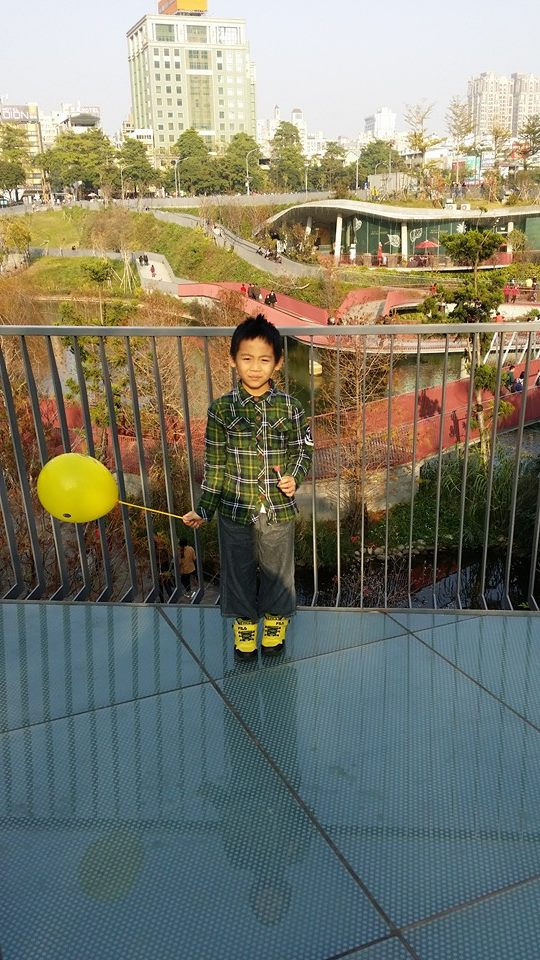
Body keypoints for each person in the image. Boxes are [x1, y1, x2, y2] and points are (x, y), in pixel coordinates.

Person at [182, 315, 313, 660]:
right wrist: (204, 508)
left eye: (264, 359)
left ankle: (274, 623)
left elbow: (303, 449)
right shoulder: (221, 410)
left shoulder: (292, 407)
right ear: (233, 360)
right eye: (247, 358)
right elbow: (215, 465)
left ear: (278, 363)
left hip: (277, 507)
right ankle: (244, 626)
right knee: (237, 571)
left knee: (277, 571)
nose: (255, 368)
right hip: (234, 508)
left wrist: (294, 475)